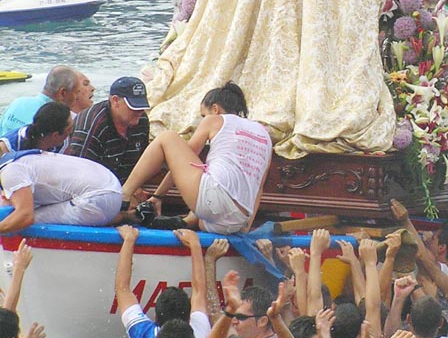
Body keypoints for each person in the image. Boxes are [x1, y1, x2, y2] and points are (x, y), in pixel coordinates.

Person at [119, 82, 272, 234]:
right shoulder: (264, 135)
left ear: (215, 109)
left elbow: (182, 163)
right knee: (209, 178)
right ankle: (186, 221)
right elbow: (259, 187)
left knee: (167, 137)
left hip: (214, 201)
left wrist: (157, 196)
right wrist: (246, 225)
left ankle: (124, 194)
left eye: (203, 115)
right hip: (238, 219)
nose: (203, 119)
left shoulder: (214, 120)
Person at [0, 149, 122, 233]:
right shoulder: (20, 159)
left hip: (98, 198)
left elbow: (25, 217)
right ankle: (124, 216)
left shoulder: (10, 173)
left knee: (21, 222)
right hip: (112, 190)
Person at [64, 77, 151, 184]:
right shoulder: (91, 126)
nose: (139, 112)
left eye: (141, 107)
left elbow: (142, 162)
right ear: (115, 101)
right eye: (133, 107)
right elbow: (79, 174)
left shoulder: (141, 120)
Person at [0, 65, 93, 134]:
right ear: (63, 93)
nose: (76, 97)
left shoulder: (18, 102)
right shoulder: (57, 118)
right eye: (76, 92)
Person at [0, 102, 71, 155]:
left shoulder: (63, 145)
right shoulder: (6, 148)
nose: (71, 132)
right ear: (55, 135)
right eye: (69, 129)